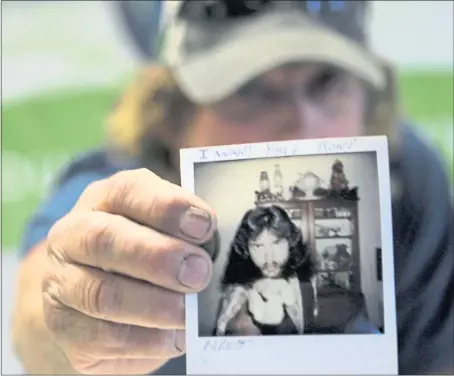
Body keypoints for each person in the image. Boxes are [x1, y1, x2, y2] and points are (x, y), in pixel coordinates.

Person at [11, 1, 453, 375]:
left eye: (326, 81)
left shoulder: (408, 179)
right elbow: (40, 306)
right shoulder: (115, 191)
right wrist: (66, 311)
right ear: (169, 117)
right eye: (249, 88)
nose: (301, 125)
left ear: (372, 99)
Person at [213, 205, 377, 337]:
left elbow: (362, 330)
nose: (268, 256)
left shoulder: (311, 287)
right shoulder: (237, 295)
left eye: (276, 243)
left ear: (290, 244)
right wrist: (251, 323)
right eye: (258, 246)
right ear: (246, 250)